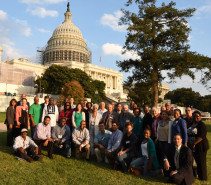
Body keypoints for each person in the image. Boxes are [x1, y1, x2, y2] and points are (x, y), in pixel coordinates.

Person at [188, 111, 209, 181]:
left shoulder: (201, 124)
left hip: (201, 146)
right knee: (196, 161)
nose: (196, 117)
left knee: (201, 162)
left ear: (200, 117)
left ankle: (203, 178)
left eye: (198, 116)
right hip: (193, 146)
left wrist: (194, 143)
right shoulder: (191, 124)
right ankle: (197, 175)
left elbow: (201, 136)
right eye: (194, 116)